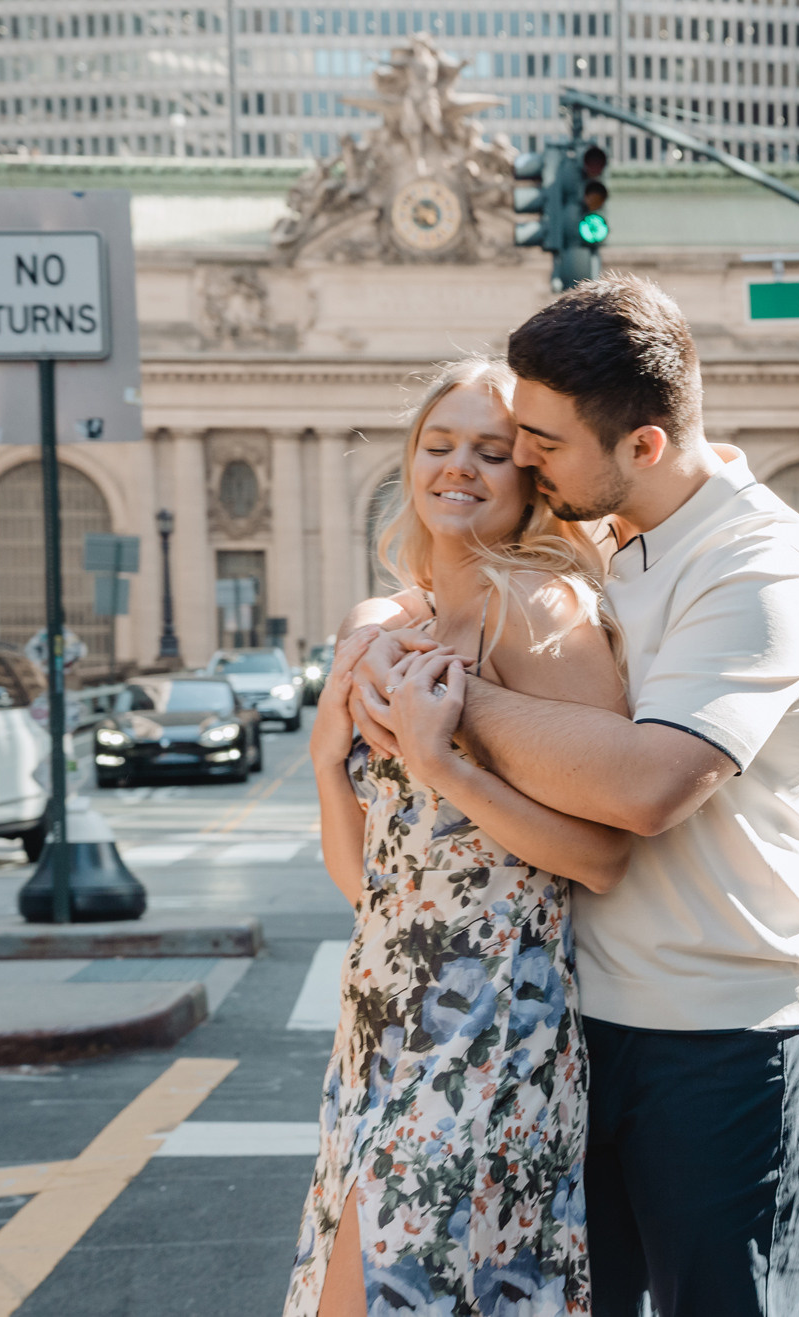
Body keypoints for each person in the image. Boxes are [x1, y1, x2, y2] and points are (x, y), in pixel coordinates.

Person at [353, 276, 799, 1317]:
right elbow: (485, 592)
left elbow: (648, 784)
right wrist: (397, 634)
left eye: (545, 442)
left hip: (723, 1035)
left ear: (645, 445)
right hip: (573, 1026)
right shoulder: (608, 539)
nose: (525, 460)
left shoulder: (758, 562)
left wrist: (445, 702)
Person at [285, 357, 632, 1317]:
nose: (459, 467)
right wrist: (325, 761)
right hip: (378, 1018)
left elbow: (603, 853)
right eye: (439, 445)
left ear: (531, 476)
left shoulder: (541, 610)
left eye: (490, 449)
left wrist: (447, 768)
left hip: (492, 1021)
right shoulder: (398, 623)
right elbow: (371, 887)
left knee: (379, 1296)